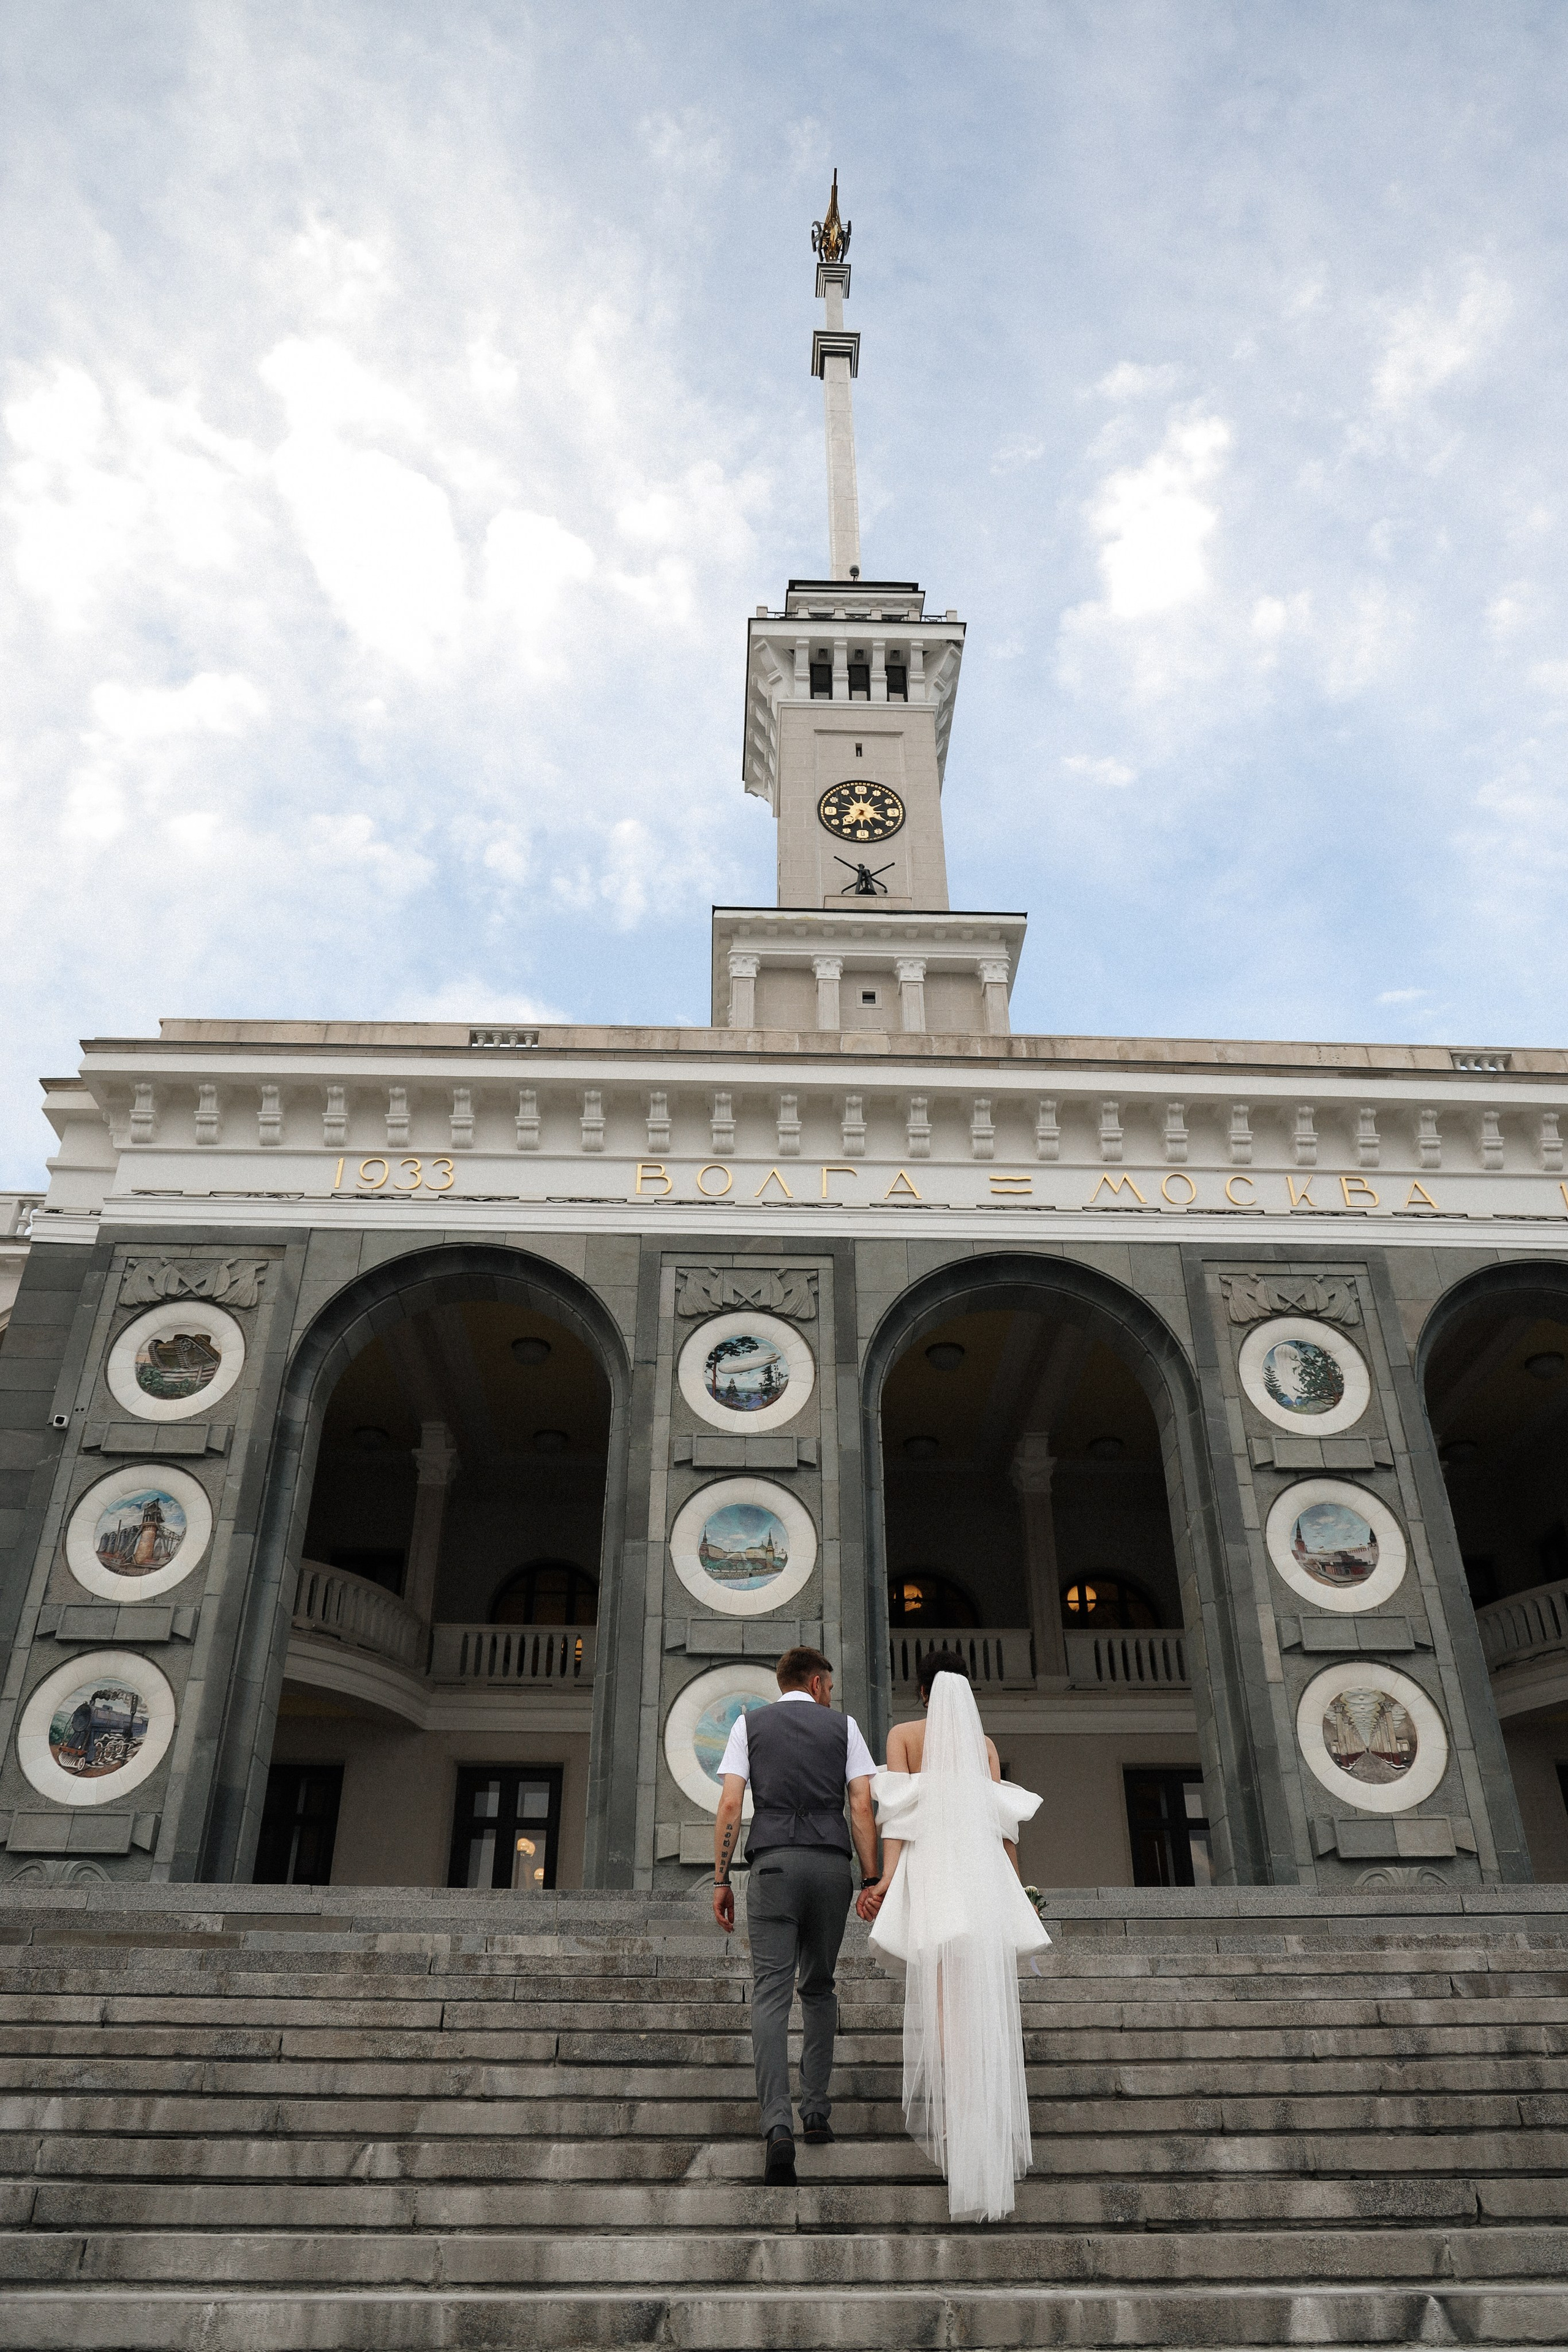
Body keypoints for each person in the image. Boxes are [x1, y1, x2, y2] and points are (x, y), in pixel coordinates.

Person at [856, 1647, 1049, 2221]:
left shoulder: (904, 1736)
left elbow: (895, 1813)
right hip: (981, 1876)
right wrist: (1018, 1889)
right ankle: (981, 2131)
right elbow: (1003, 1823)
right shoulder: (984, 1747)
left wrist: (885, 1879)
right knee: (980, 2007)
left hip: (937, 1876)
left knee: (943, 2007)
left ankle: (958, 2128)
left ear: (922, 1693)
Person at [711, 1645, 880, 2185]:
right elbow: (860, 1805)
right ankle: (816, 2112)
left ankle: (777, 2126)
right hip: (831, 1867)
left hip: (774, 1868)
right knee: (820, 1988)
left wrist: (720, 1878)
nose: (831, 1695)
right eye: (828, 1686)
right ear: (813, 1682)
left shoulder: (749, 1726)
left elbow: (732, 1806)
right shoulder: (845, 1728)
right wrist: (872, 1878)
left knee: (770, 1993)